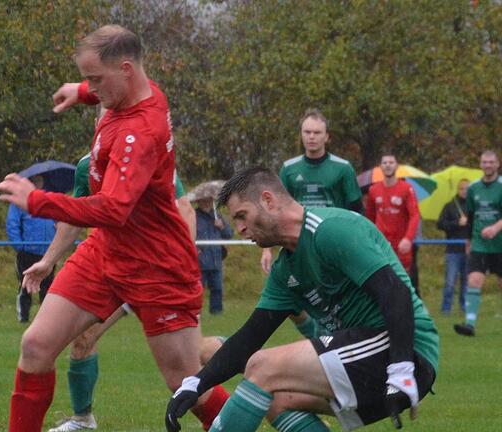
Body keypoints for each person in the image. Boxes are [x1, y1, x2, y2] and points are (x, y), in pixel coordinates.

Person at [0, 25, 229, 432]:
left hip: (156, 265)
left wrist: (37, 200)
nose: (92, 87)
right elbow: (114, 218)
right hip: (106, 252)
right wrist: (83, 91)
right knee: (35, 345)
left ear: (124, 70)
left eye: (96, 80)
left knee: (186, 384)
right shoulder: (138, 90)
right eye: (88, 78)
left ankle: (254, 418)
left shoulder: (139, 132)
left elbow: (114, 207)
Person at [165, 167, 439, 432]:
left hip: (405, 350)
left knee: (263, 367)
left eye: (241, 215)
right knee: (274, 399)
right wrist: (195, 384)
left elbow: (396, 293)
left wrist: (401, 369)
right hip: (369, 357)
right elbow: (249, 338)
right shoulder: (285, 269)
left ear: (268, 200)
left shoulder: (331, 229)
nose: (239, 229)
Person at [23, 145, 197, 432]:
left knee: (190, 364)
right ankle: (82, 418)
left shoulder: (152, 157)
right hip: (112, 272)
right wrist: (48, 261)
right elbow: (74, 218)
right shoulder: (85, 166)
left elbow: (185, 210)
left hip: (156, 273)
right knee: (82, 337)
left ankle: (239, 367)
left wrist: (185, 263)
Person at [264, 109, 362, 338]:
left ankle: (334, 341)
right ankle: (319, 337)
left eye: (317, 132)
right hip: (298, 246)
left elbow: (357, 212)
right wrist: (267, 249)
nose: (312, 136)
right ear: (301, 135)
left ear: (327, 136)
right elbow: (275, 211)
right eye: (307, 131)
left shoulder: (342, 168)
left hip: (332, 244)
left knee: (334, 299)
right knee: (292, 296)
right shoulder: (289, 169)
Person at [454, 151, 502, 337]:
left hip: (500, 244)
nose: (488, 165)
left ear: (497, 164)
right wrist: (468, 241)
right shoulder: (473, 188)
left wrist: (495, 228)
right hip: (480, 244)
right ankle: (470, 324)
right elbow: (471, 217)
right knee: (474, 280)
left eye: (491, 162)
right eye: (484, 162)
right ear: (480, 165)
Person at [364, 154, 421, 293]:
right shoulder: (373, 190)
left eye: (391, 162)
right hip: (381, 243)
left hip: (401, 243)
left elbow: (415, 215)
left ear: (396, 166)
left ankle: (409, 310)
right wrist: (370, 238)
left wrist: (408, 238)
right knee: (382, 278)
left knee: (403, 281)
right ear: (380, 167)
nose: (388, 165)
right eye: (385, 162)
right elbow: (369, 217)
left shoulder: (406, 188)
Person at [6, 175, 57, 323]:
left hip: (48, 252)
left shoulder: (49, 198)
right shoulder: (19, 202)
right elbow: (12, 224)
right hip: (28, 252)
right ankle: (23, 318)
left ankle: (46, 319)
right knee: (25, 285)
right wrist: (19, 246)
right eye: (34, 181)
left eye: (40, 180)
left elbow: (58, 219)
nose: (37, 183)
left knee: (48, 287)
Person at [194, 196, 232, 315]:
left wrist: (222, 226)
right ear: (198, 201)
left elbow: (229, 234)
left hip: (216, 260)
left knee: (217, 289)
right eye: (203, 200)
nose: (206, 203)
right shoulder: (193, 217)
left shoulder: (218, 216)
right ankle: (196, 313)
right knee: (197, 290)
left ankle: (216, 313)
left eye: (209, 200)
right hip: (199, 261)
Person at [437, 180, 471, 315]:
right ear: (458, 190)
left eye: (467, 189)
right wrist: (457, 223)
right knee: (450, 282)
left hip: (469, 249)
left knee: (466, 282)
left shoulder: (472, 207)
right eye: (462, 188)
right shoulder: (450, 206)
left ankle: (464, 307)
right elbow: (440, 224)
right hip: (453, 251)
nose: (465, 191)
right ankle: (446, 309)